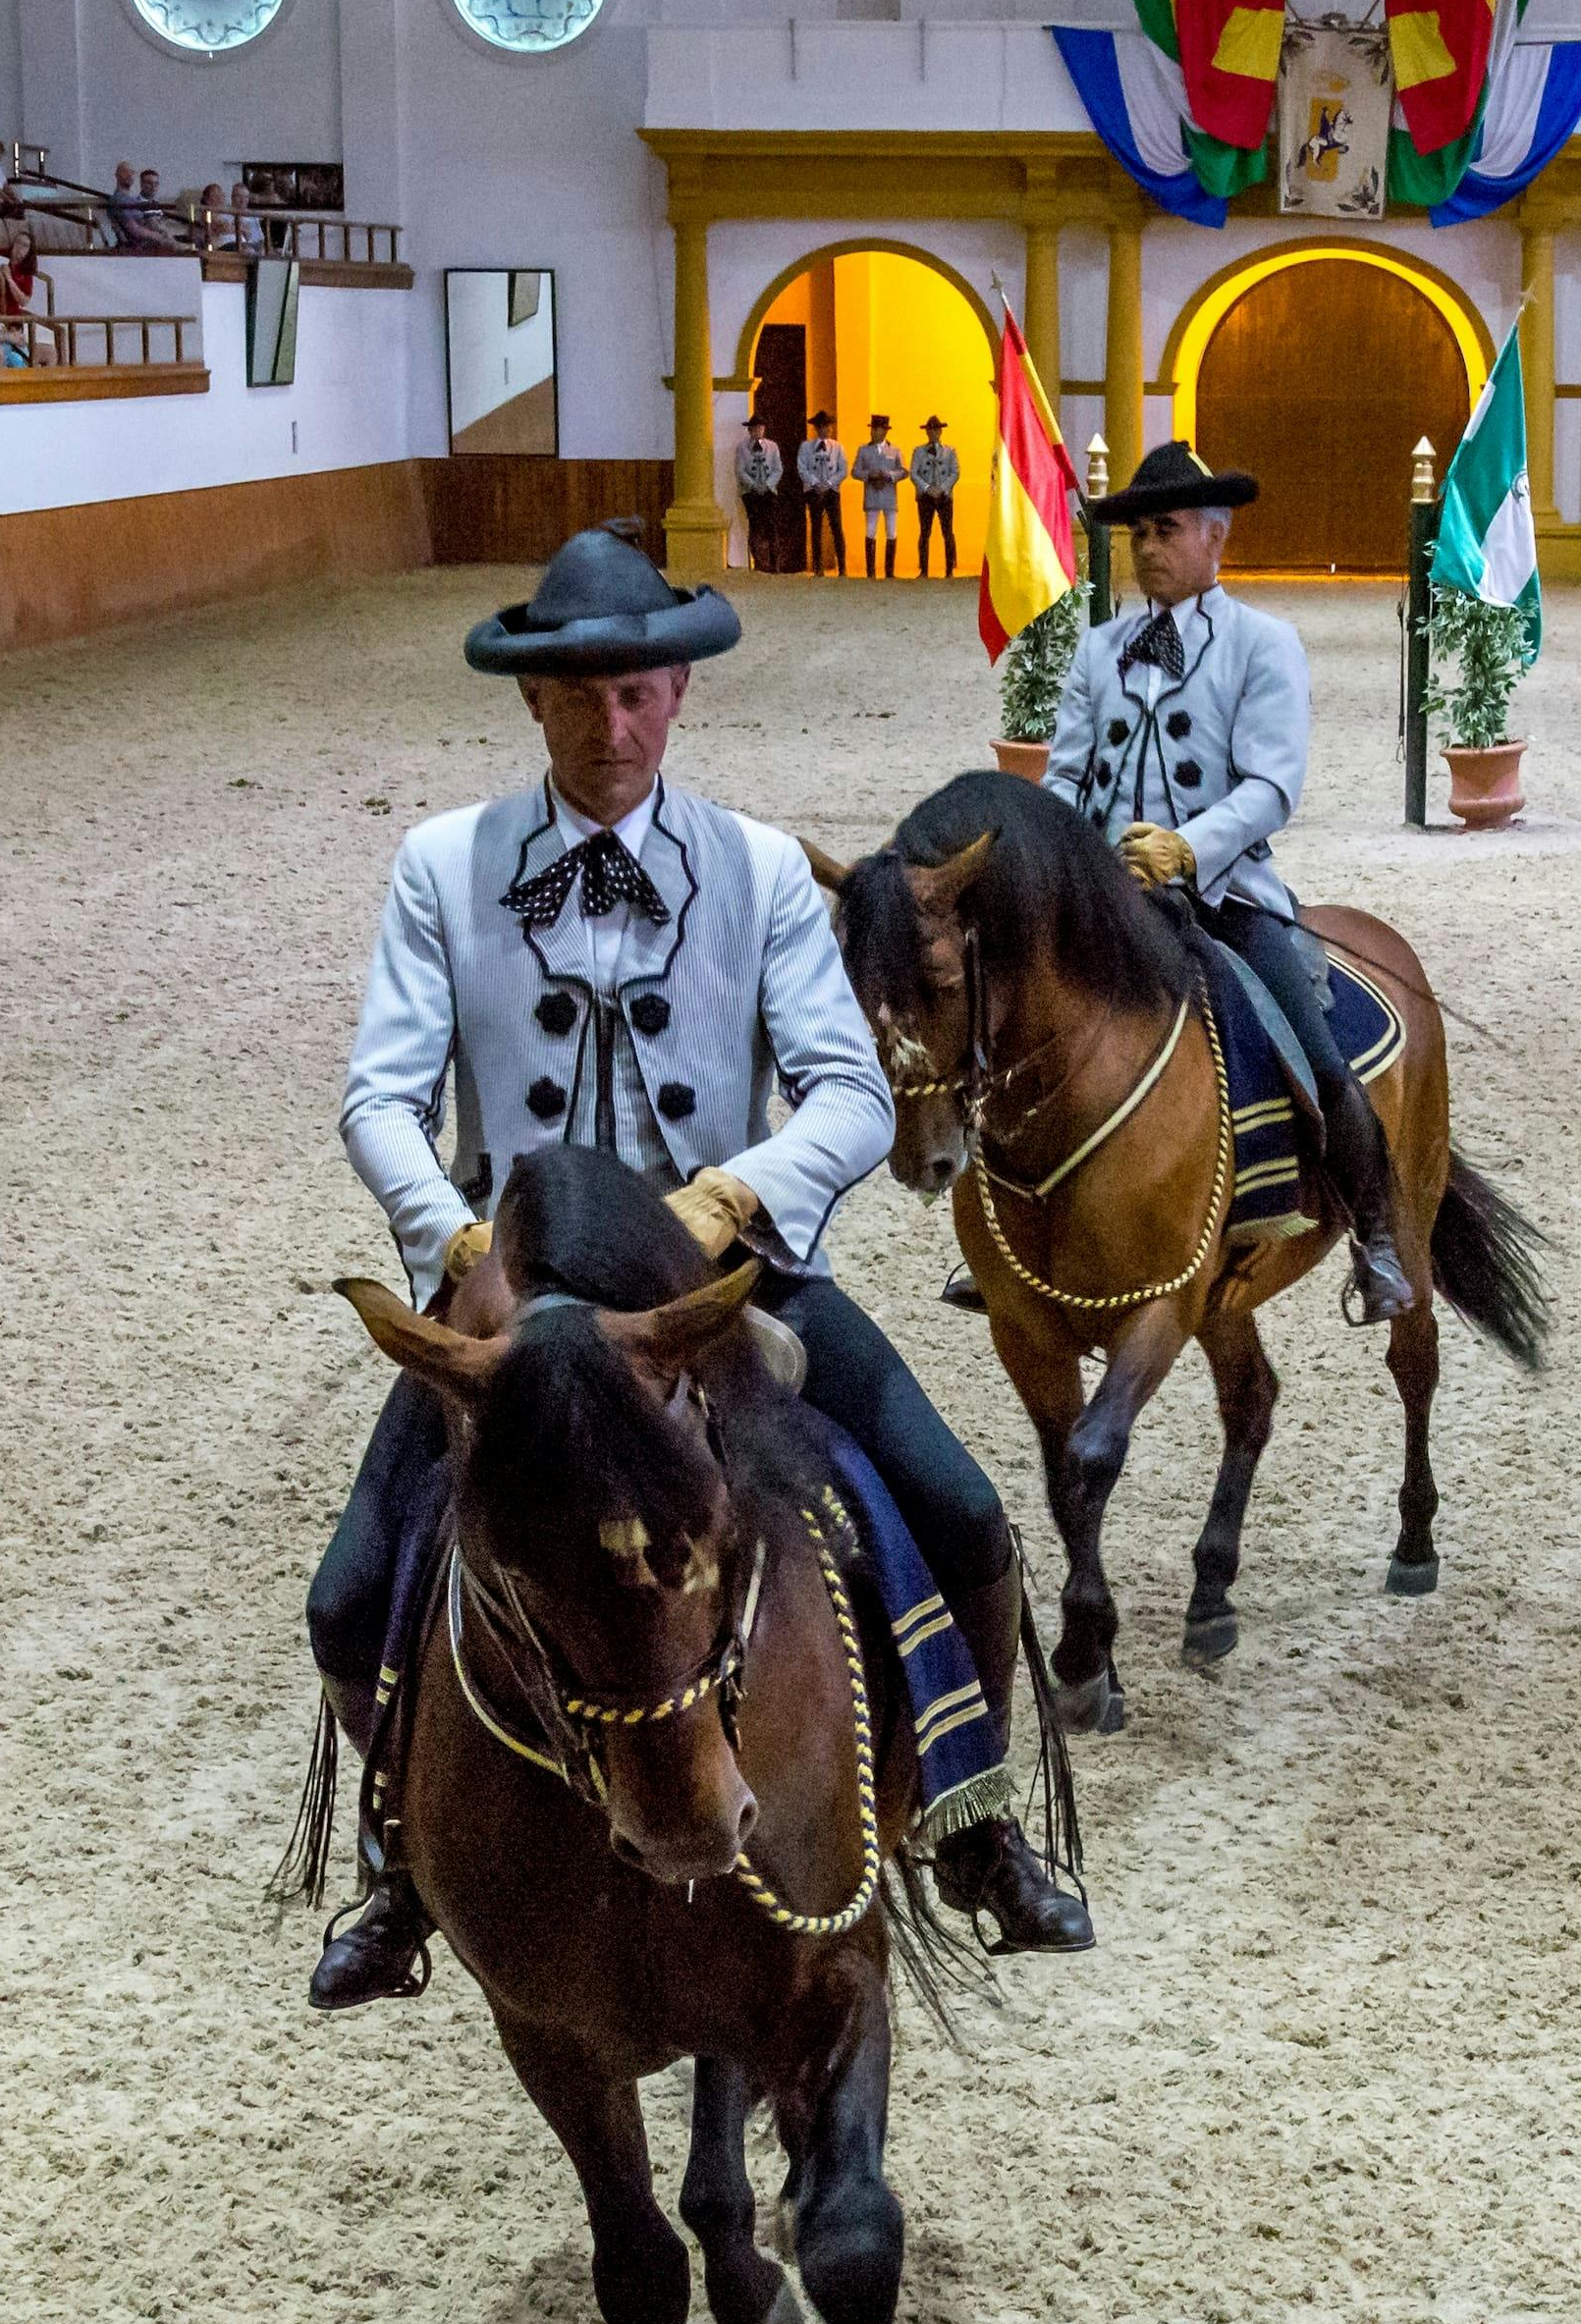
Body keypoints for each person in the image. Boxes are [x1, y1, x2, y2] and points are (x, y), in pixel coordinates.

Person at [301, 522, 1094, 2006]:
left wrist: (739, 1193)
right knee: (351, 1597)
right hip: (517, 1297)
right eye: (586, 696)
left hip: (716, 1271)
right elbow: (378, 1098)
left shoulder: (759, 872)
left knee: (963, 1512)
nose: (616, 725)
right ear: (534, 702)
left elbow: (855, 1098)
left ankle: (968, 1821)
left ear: (680, 698)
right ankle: (403, 1856)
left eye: (642, 695)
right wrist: (458, 1240)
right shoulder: (441, 867)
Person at [1039, 439, 1415, 1324]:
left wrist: (1187, 849)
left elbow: (1272, 784)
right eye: (1137, 533)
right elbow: (1063, 776)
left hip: (1220, 898)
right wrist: (1054, 854)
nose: (1146, 547)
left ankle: (1376, 1239)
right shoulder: (1099, 652)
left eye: (1165, 530)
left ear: (1216, 539)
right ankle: (1012, 1238)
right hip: (1099, 895)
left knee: (1316, 1057)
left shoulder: (1262, 645)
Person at [908, 412, 961, 576]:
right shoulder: (918, 451)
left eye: (936, 430)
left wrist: (943, 488)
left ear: (940, 432)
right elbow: (914, 473)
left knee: (947, 532)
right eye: (930, 430)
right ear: (927, 432)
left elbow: (955, 472)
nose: (933, 433)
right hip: (926, 496)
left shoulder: (950, 451)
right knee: (925, 532)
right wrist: (926, 488)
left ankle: (949, 570)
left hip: (944, 495)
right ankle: (923, 570)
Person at [853, 408, 904, 577]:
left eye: (877, 429)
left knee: (891, 531)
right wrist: (869, 475)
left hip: (889, 497)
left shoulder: (895, 450)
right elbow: (855, 471)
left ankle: (890, 571)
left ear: (884, 431)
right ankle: (871, 571)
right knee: (871, 530)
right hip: (872, 495)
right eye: (873, 429)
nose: (874, 432)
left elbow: (903, 471)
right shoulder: (863, 450)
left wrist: (890, 475)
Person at [794, 406, 845, 573]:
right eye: (824, 426)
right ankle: (818, 566)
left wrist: (829, 483)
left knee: (836, 527)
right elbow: (802, 469)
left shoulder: (838, 447)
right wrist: (816, 483)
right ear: (817, 429)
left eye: (829, 426)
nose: (827, 429)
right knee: (816, 528)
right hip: (814, 491)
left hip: (831, 491)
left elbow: (843, 469)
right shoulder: (806, 447)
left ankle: (842, 567)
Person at [732, 413, 785, 568]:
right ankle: (759, 563)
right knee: (755, 526)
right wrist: (754, 485)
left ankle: (775, 564)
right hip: (750, 492)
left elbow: (777, 469)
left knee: (771, 526)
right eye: (754, 428)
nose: (758, 431)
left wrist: (767, 485)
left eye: (760, 428)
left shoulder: (772, 447)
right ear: (749, 430)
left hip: (768, 491)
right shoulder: (742, 448)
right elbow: (740, 471)